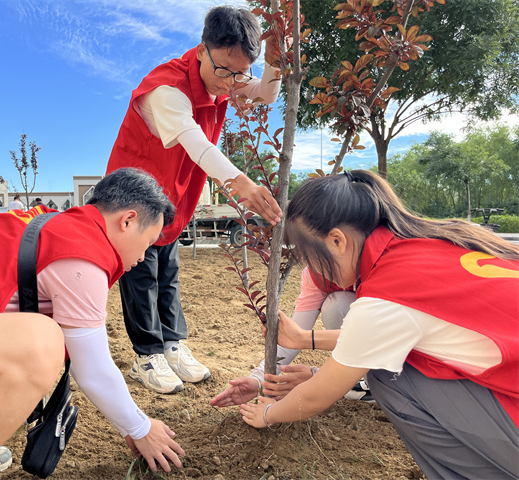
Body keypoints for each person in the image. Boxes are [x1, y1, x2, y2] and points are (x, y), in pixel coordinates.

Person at [0, 168, 186, 480]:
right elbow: (91, 368)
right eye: (148, 243)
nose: (142, 257)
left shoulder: (51, 225)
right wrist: (140, 427)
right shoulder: (81, 254)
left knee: (14, 336)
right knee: (37, 344)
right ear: (128, 220)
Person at [239, 169, 519, 479]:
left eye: (309, 255)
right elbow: (384, 336)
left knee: (389, 376)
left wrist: (268, 413)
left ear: (336, 240)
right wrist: (300, 345)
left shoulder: (388, 293)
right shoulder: (429, 243)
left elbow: (319, 395)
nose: (311, 267)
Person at [106, 5, 283, 395]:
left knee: (168, 271)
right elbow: (197, 144)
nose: (231, 82)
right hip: (134, 191)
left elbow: (266, 94)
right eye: (223, 70)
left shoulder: (224, 77)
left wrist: (274, 65)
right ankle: (146, 355)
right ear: (202, 50)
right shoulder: (167, 88)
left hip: (172, 191)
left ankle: (172, 344)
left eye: (241, 72)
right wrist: (244, 186)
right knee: (141, 274)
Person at [210, 267, 370, 407]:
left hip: (392, 350)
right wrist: (258, 379)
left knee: (343, 308)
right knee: (337, 305)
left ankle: (383, 381)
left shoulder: (381, 263)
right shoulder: (317, 273)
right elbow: (294, 337)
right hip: (375, 347)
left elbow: (382, 335)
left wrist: (318, 377)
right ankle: (370, 383)